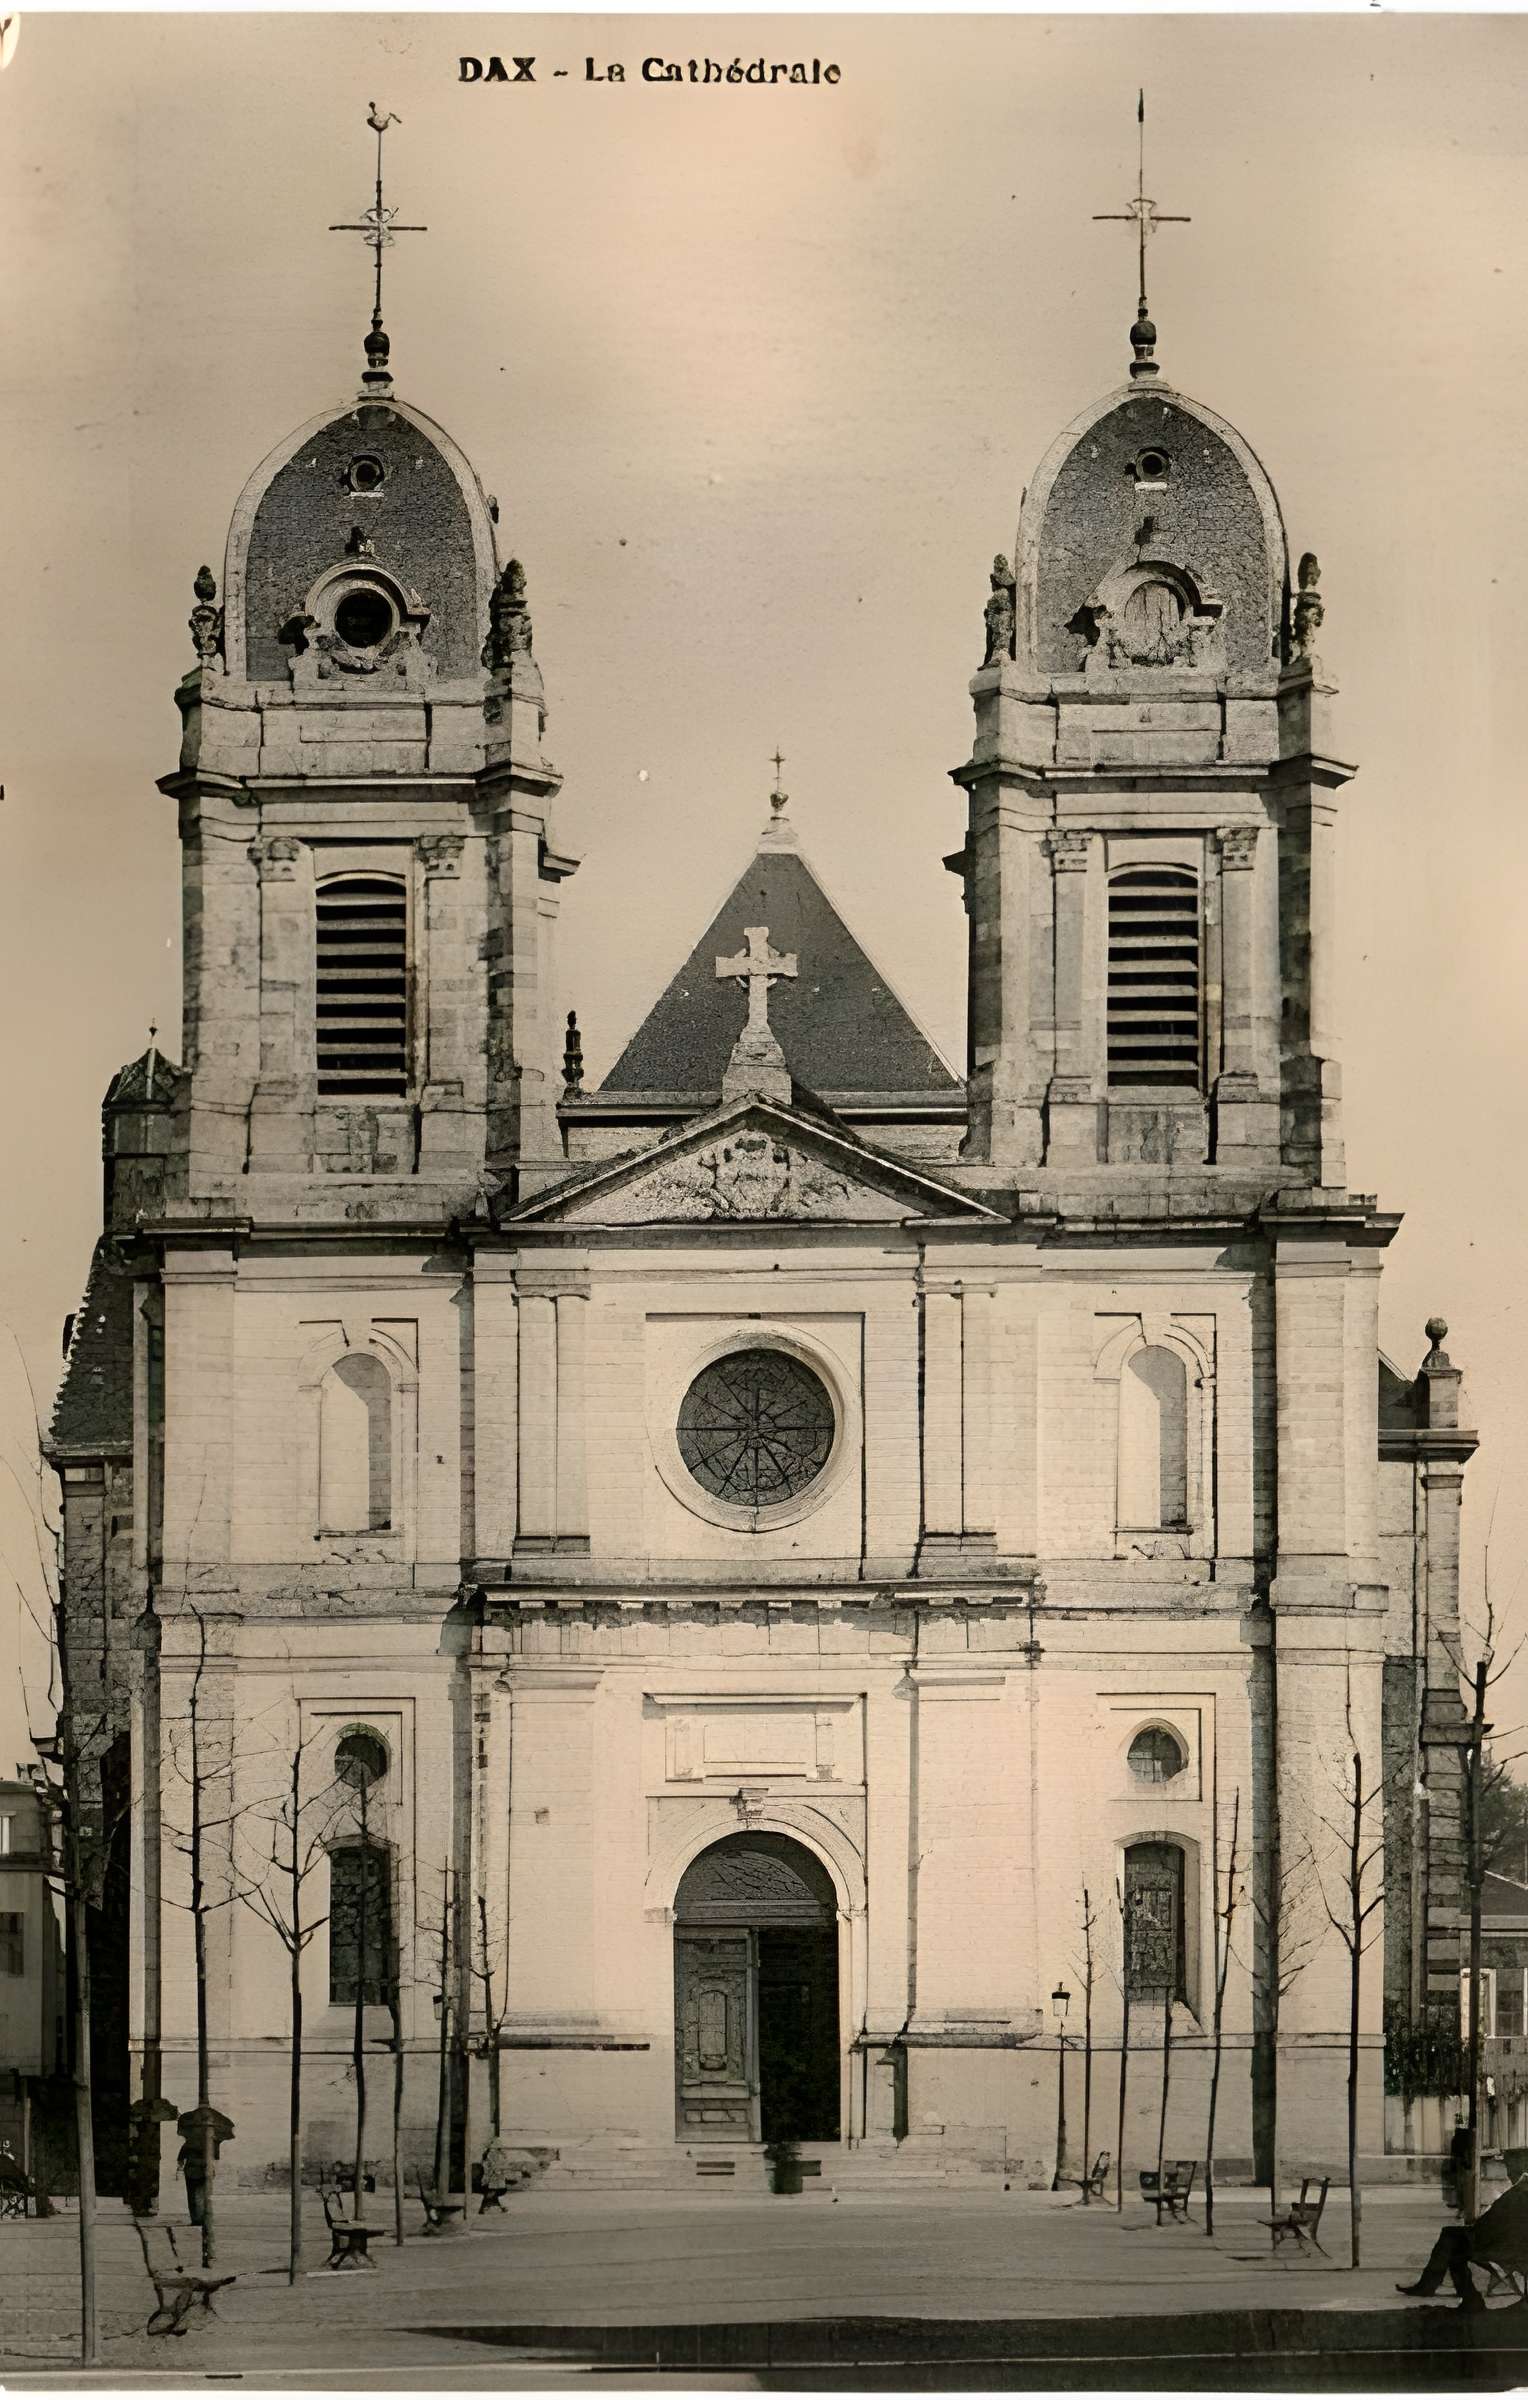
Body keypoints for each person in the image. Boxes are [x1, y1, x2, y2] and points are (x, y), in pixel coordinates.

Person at [1397, 2163, 1528, 2309]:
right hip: (1505, 2243)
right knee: (1451, 2239)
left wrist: (1474, 2232)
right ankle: (1449, 2292)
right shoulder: (1520, 2190)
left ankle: (1460, 2295)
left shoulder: (1521, 2191)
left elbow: (1496, 2223)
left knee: (1452, 2245)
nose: (1509, 2173)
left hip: (1504, 2247)